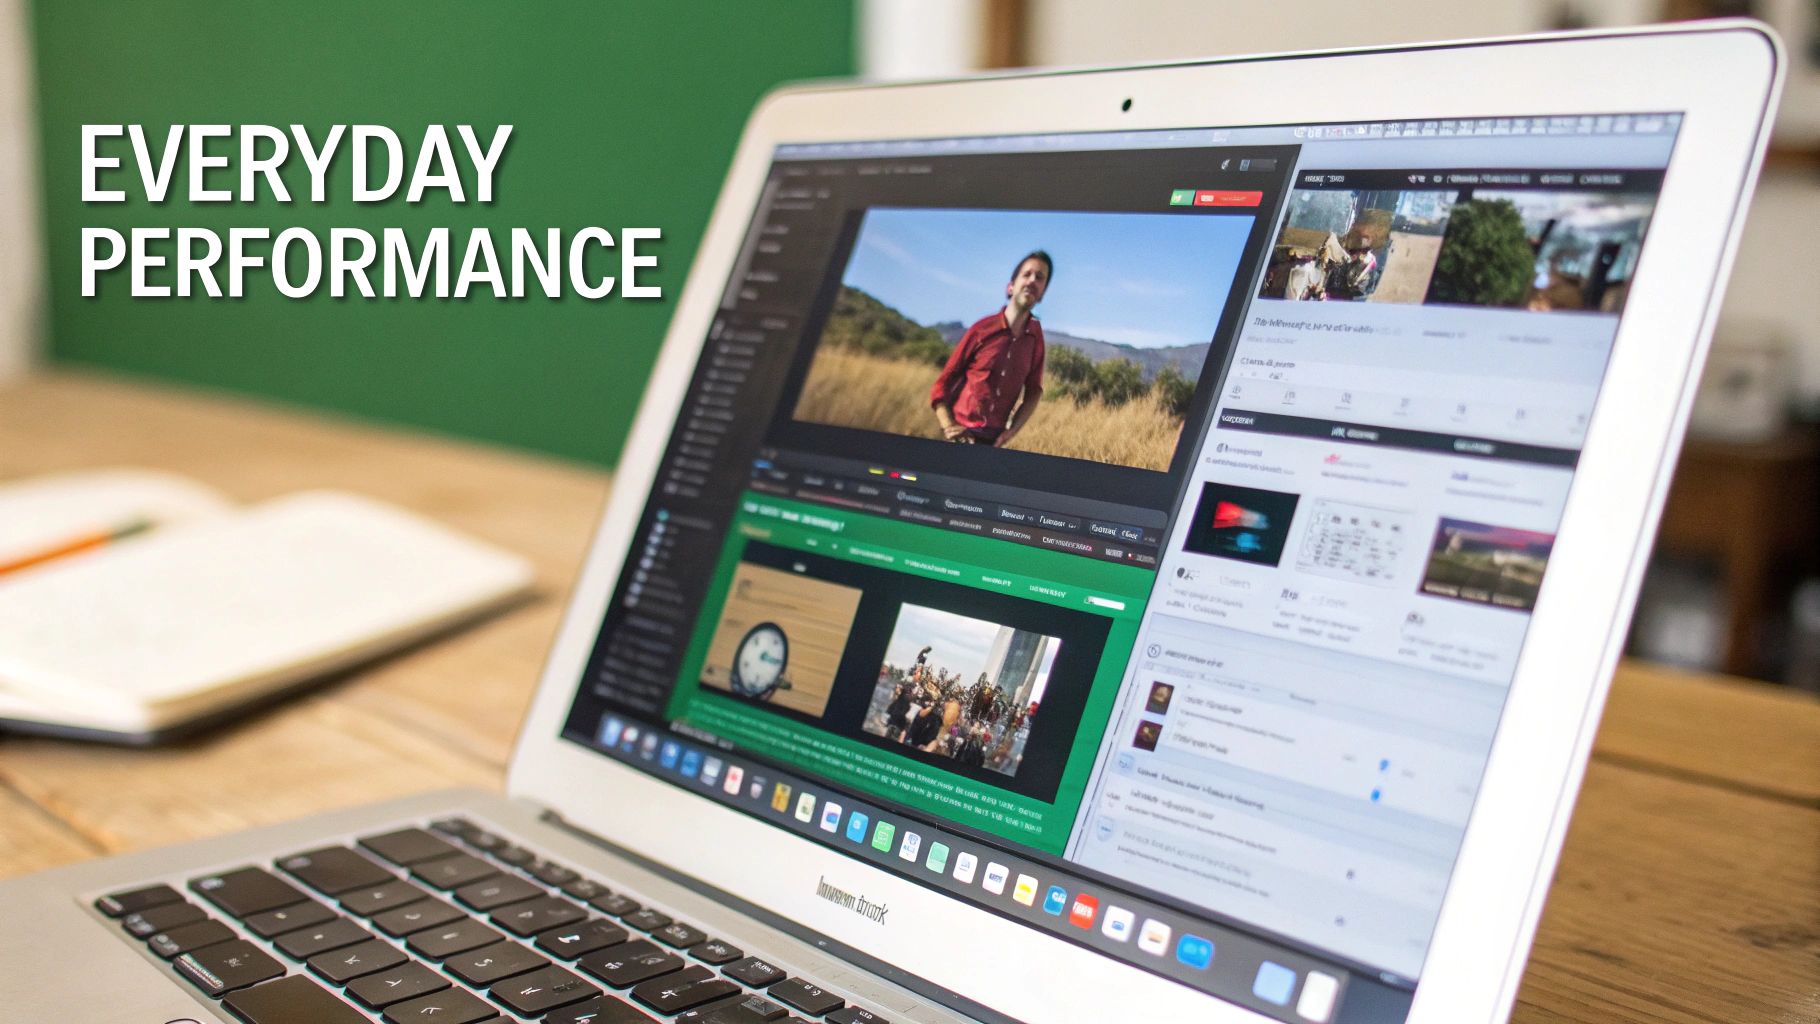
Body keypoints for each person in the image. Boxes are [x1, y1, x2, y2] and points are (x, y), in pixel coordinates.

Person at [929, 251, 1051, 448]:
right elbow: (943, 382)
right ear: (1010, 286)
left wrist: (1011, 432)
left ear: (1043, 292)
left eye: (1040, 278)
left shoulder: (1035, 338)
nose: (1032, 281)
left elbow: (1034, 391)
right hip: (958, 436)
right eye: (1026, 274)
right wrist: (948, 426)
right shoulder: (982, 329)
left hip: (993, 444)